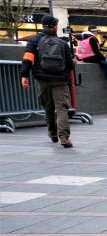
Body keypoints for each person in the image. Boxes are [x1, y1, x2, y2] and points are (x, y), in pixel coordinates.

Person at [20, 15, 75, 148]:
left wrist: (24, 75)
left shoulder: (34, 40)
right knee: (62, 108)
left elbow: (27, 59)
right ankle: (64, 137)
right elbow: (69, 65)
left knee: (48, 106)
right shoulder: (62, 42)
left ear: (43, 26)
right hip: (60, 80)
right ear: (55, 26)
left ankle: (52, 133)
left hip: (42, 79)